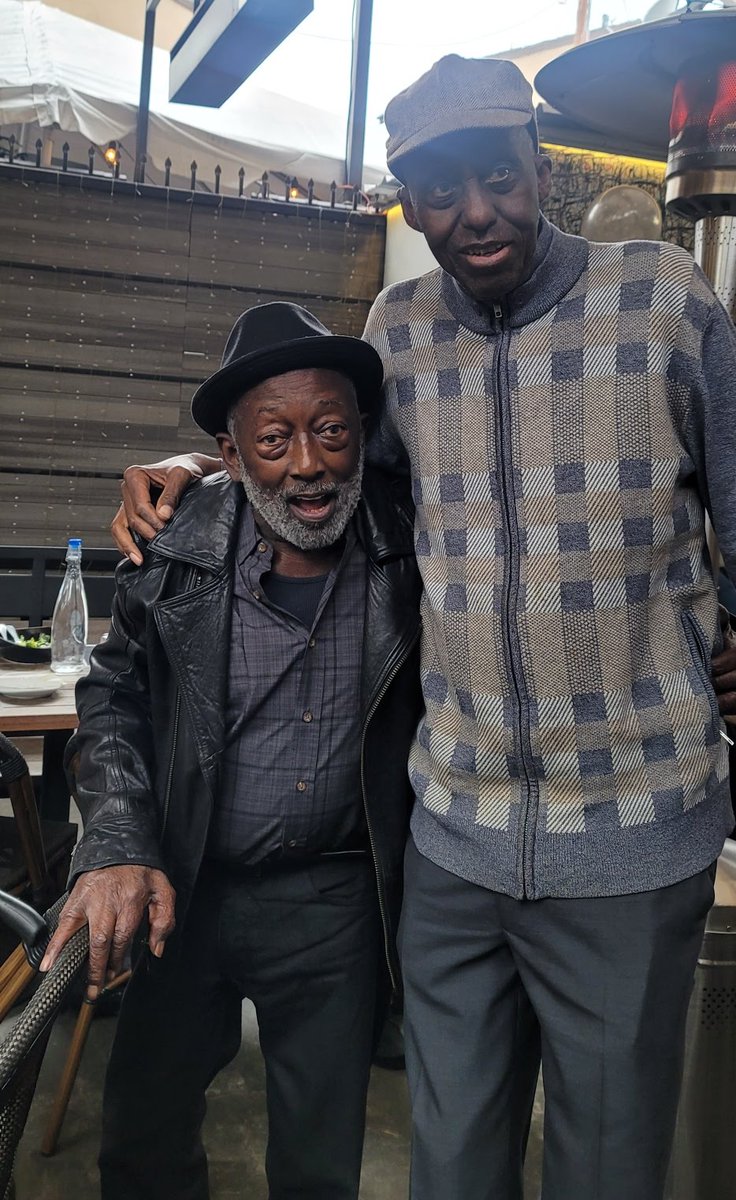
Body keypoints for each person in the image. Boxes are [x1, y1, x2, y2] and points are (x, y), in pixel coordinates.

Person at [109, 56, 736, 1200]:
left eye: (498, 176)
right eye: (438, 192)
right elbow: (324, 463)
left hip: (632, 834)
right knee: (448, 1169)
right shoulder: (395, 330)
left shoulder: (663, 301)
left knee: (605, 1169)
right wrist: (203, 466)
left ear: (538, 167)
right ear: (407, 198)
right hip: (449, 838)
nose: (476, 213)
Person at [40, 302, 422, 1200]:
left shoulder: (412, 543)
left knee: (322, 1160)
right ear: (232, 451)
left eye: (330, 431)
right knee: (143, 1139)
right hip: (184, 885)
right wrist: (121, 841)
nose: (308, 465)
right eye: (274, 438)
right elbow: (110, 696)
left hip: (335, 904)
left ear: (362, 433)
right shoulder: (176, 546)